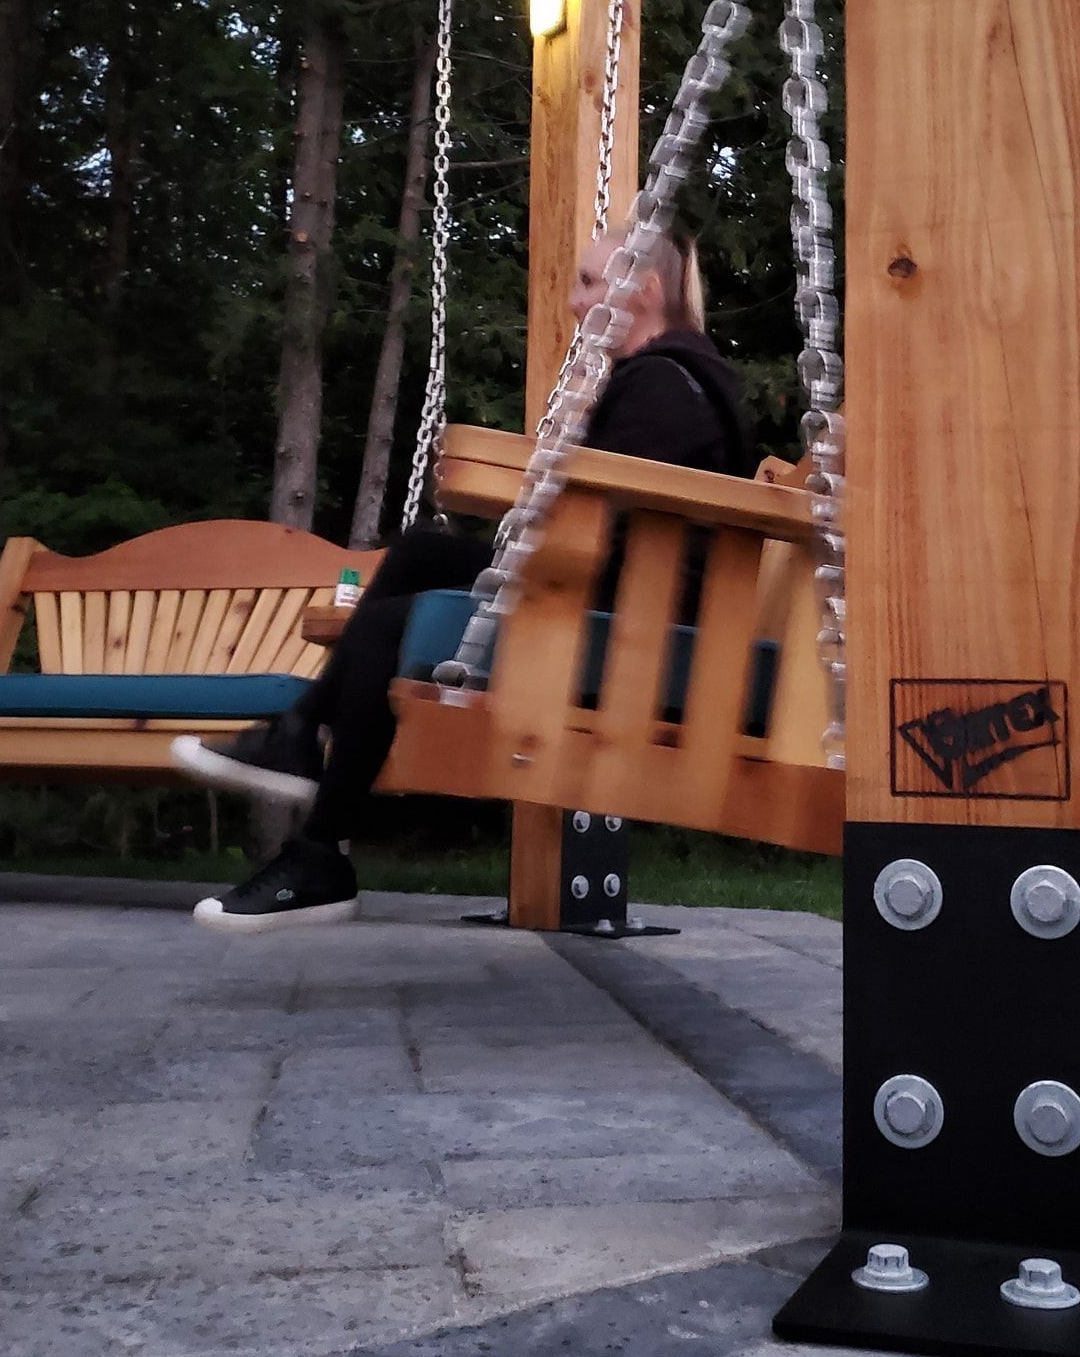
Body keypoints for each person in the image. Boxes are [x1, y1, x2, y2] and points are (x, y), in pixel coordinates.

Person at [175, 227, 752, 934]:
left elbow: (606, 525)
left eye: (590, 283)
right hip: (619, 592)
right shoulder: (669, 379)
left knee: (394, 624)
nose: (574, 303)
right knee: (422, 551)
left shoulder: (666, 386)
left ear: (648, 290)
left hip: (639, 624)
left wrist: (550, 477)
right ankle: (302, 734)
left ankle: (320, 850)